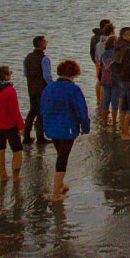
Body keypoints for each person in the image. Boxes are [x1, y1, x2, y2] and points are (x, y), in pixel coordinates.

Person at [40, 60, 90, 203]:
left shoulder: (49, 87)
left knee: (59, 153)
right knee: (63, 158)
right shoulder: (73, 90)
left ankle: (60, 184)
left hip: (50, 126)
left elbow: (42, 107)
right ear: (74, 73)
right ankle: (56, 194)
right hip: (66, 128)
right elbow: (81, 110)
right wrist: (85, 127)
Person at [0, 65, 25, 182]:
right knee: (17, 150)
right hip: (9, 125)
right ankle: (16, 176)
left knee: (0, 149)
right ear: (6, 76)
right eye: (9, 73)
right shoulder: (9, 90)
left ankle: (3, 175)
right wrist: (21, 125)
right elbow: (14, 110)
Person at [23, 35, 53, 144]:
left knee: (32, 111)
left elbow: (25, 74)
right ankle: (40, 137)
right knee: (41, 112)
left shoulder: (28, 57)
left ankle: (26, 136)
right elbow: (47, 77)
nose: (46, 43)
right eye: (45, 42)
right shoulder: (44, 59)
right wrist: (52, 86)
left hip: (31, 88)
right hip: (42, 89)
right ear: (41, 44)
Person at [115, 26, 130, 140]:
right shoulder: (128, 48)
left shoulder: (118, 46)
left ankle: (123, 130)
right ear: (124, 35)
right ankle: (125, 133)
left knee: (123, 106)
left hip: (122, 79)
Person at [99, 35, 120, 125]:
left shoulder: (104, 53)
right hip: (115, 80)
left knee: (106, 100)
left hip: (105, 79)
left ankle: (104, 120)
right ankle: (114, 121)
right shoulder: (116, 54)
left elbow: (101, 66)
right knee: (114, 101)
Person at [90, 19, 110, 106]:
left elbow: (91, 51)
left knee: (99, 80)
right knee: (103, 82)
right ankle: (102, 102)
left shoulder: (94, 37)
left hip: (97, 61)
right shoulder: (106, 38)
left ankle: (99, 101)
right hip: (104, 62)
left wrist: (95, 61)